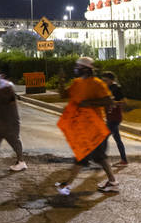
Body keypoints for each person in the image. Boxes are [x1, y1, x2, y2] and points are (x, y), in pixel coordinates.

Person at [53, 56, 119, 196]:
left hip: (94, 126)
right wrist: (61, 81)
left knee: (82, 156)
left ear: (86, 69)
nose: (76, 69)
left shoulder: (97, 84)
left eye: (79, 66)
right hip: (82, 125)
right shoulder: (77, 82)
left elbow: (109, 101)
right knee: (99, 157)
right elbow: (63, 95)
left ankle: (67, 185)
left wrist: (89, 103)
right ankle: (113, 182)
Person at [100, 71, 129, 168]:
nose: (104, 82)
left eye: (106, 80)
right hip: (109, 117)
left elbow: (124, 102)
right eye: (103, 80)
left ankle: (100, 159)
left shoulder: (116, 88)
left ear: (111, 80)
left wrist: (114, 102)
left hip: (115, 117)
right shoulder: (106, 88)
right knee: (117, 139)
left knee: (104, 137)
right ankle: (124, 159)